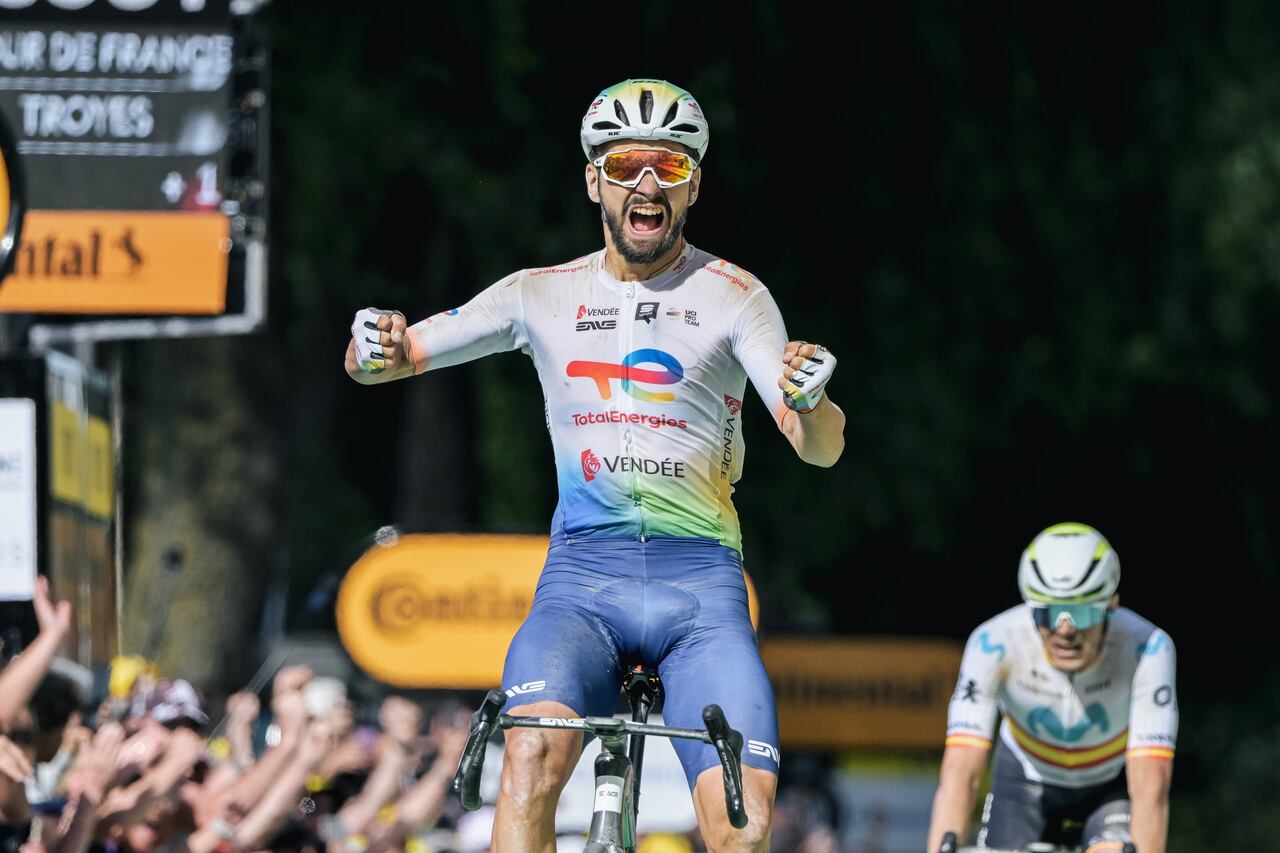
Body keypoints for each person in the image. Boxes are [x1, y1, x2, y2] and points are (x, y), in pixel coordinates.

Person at [345, 78, 846, 852]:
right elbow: (389, 359)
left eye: (668, 167)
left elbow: (818, 445)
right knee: (526, 762)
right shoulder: (538, 294)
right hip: (582, 582)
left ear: (693, 185)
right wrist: (370, 344)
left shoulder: (736, 296)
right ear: (593, 180)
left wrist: (813, 403)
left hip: (702, 591)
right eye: (625, 165)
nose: (646, 183)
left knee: (742, 824)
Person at [925, 523, 1177, 853]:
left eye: (1083, 613)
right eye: (1048, 613)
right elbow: (960, 774)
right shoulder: (993, 644)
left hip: (1110, 784)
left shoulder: (1147, 649)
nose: (1065, 630)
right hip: (1024, 779)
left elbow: (1151, 786)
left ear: (1111, 604)